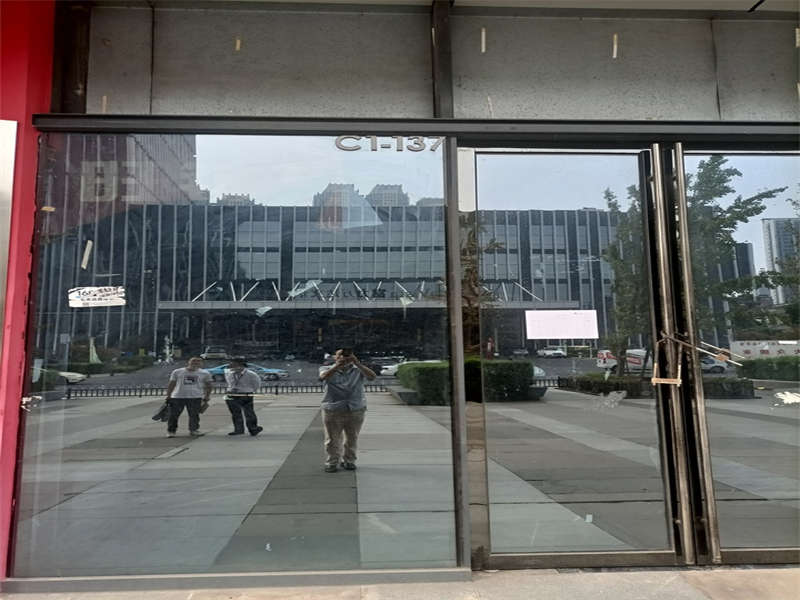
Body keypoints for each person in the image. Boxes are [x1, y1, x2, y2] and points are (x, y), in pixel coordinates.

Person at [318, 347, 376, 472]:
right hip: (333, 408)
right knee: (332, 438)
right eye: (339, 355)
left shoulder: (358, 369)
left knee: (352, 437)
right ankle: (332, 462)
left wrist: (357, 363)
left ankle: (349, 460)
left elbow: (372, 377)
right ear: (335, 357)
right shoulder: (326, 368)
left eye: (346, 355)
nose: (343, 357)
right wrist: (337, 366)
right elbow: (323, 377)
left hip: (355, 408)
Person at [164, 357, 212, 438]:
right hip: (178, 397)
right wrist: (168, 395)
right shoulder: (177, 371)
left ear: (201, 363)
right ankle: (171, 431)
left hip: (195, 397)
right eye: (193, 361)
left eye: (198, 361)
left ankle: (194, 430)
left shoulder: (205, 373)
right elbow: (172, 384)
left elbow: (209, 386)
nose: (195, 363)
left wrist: (207, 396)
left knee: (194, 415)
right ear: (188, 362)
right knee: (174, 415)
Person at [224, 357, 264, 437]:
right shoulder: (230, 373)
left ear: (240, 364)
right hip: (232, 394)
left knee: (249, 412)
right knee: (235, 413)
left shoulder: (251, 374)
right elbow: (230, 383)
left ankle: (253, 428)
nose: (231, 365)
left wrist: (249, 390)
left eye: (233, 364)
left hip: (245, 394)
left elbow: (257, 384)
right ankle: (238, 429)